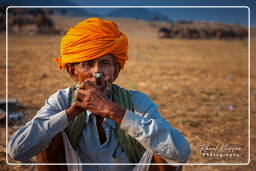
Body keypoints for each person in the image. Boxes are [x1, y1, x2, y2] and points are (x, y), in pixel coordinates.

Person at [8, 17, 191, 171]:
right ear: (73, 72)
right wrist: (72, 112)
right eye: (88, 64)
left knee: (165, 149)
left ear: (115, 70)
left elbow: (181, 152)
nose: (97, 73)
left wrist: (114, 111)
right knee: (48, 132)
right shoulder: (62, 100)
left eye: (104, 63)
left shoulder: (136, 102)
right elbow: (16, 151)